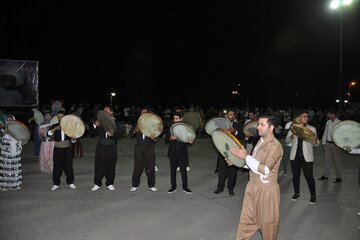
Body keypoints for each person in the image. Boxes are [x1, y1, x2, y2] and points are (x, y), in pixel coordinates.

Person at [227, 115, 283, 240]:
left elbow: (265, 169)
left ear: (271, 127)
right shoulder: (260, 142)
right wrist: (238, 162)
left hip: (267, 191)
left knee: (268, 227)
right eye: (258, 124)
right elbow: (254, 164)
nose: (258, 127)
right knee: (246, 221)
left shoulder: (275, 145)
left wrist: (245, 157)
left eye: (262, 124)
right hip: (252, 186)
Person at [285, 109, 319, 204]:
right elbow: (287, 141)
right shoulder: (293, 127)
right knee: (295, 176)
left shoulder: (312, 129)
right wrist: (291, 138)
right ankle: (297, 193)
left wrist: (315, 142)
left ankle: (313, 195)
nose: (306, 118)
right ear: (299, 117)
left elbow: (317, 143)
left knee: (309, 176)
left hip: (307, 156)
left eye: (307, 116)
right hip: (295, 155)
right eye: (304, 116)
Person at [90, 106, 124, 191]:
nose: (104, 111)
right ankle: (97, 183)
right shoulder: (99, 121)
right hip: (101, 146)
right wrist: (95, 125)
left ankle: (109, 183)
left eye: (107, 110)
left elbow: (120, 135)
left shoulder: (115, 122)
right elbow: (91, 133)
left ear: (111, 112)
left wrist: (113, 135)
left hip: (111, 147)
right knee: (99, 165)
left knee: (111, 165)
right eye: (104, 109)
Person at [214, 109, 246, 196]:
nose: (231, 116)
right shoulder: (221, 125)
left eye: (233, 114)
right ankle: (220, 187)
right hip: (223, 151)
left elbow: (243, 135)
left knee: (232, 172)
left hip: (234, 153)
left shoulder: (238, 125)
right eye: (230, 114)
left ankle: (230, 188)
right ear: (227, 116)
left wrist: (234, 131)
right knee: (222, 171)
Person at [129, 108, 158, 192]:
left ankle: (151, 185)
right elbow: (130, 135)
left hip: (149, 147)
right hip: (139, 147)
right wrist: (135, 130)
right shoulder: (137, 123)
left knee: (150, 167)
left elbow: (156, 136)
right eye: (142, 113)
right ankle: (135, 185)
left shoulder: (152, 124)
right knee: (137, 167)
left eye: (145, 113)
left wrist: (154, 138)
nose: (143, 114)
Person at [165, 112, 193, 194]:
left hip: (182, 152)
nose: (175, 120)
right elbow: (166, 140)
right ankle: (173, 187)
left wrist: (190, 141)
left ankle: (185, 187)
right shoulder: (171, 128)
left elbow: (189, 139)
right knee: (172, 170)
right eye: (174, 118)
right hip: (173, 152)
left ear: (181, 119)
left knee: (183, 170)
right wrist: (170, 138)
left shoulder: (186, 129)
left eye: (177, 118)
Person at [47, 110, 76, 191]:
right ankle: (56, 183)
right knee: (57, 166)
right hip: (57, 149)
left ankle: (70, 181)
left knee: (68, 166)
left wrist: (73, 139)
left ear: (64, 117)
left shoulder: (69, 126)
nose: (60, 118)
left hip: (67, 148)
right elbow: (48, 133)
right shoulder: (54, 125)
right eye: (58, 117)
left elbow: (73, 139)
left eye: (61, 117)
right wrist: (56, 128)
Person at [0, 115, 27, 191]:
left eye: (11, 120)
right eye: (8, 120)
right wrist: (4, 134)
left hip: (15, 154)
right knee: (7, 170)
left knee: (15, 169)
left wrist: (22, 142)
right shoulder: (3, 131)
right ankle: (5, 185)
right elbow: (2, 143)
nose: (9, 121)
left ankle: (15, 184)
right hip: (6, 154)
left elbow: (20, 141)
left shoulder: (17, 130)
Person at [318, 109, 342, 183]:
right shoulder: (328, 122)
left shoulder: (339, 123)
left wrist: (339, 145)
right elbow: (325, 132)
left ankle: (339, 177)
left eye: (329, 114)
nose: (328, 115)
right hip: (328, 144)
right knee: (327, 161)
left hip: (335, 145)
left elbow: (341, 135)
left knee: (337, 161)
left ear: (333, 114)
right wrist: (323, 143)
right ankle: (325, 175)